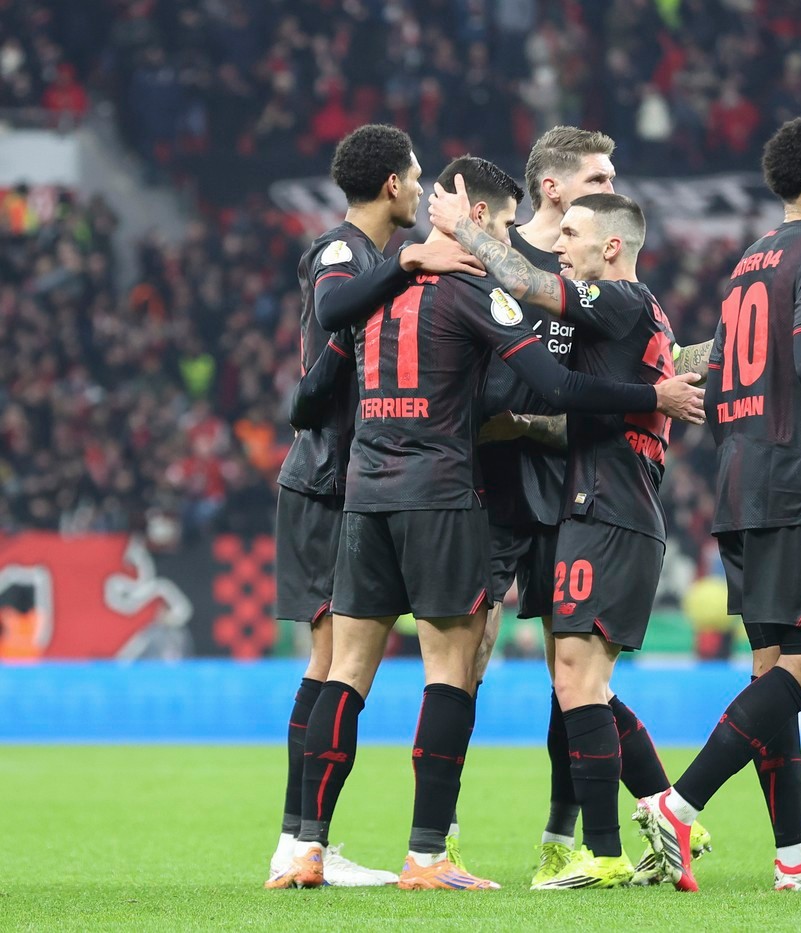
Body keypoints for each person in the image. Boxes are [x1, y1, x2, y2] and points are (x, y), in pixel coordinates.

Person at [267, 155, 703, 892]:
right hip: (439, 495)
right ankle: (429, 855)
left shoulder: (375, 293)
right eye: (501, 227)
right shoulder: (473, 292)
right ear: (476, 222)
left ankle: (304, 846)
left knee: (345, 670)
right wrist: (652, 393)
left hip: (364, 495)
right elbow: (554, 384)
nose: (511, 240)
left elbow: (309, 395)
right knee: (452, 669)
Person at [630, 116, 801, 893]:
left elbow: (722, 377)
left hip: (741, 481)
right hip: (796, 483)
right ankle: (679, 804)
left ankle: (795, 854)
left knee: (772, 665)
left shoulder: (749, 263)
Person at [467, 126, 713, 886]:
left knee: (576, 681)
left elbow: (531, 287)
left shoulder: (617, 299)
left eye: (574, 235)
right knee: (588, 684)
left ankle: (600, 853)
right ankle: (666, 812)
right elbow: (589, 401)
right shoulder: (644, 315)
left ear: (611, 248)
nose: (561, 245)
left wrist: (469, 237)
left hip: (605, 507)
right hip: (612, 505)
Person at [266, 122, 479, 889]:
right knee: (332, 663)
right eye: (417, 176)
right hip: (328, 478)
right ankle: (295, 843)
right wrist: (411, 262)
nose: (422, 189)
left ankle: (302, 843)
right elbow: (332, 313)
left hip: (349, 478)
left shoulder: (377, 259)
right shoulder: (341, 251)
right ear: (392, 184)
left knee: (336, 663)